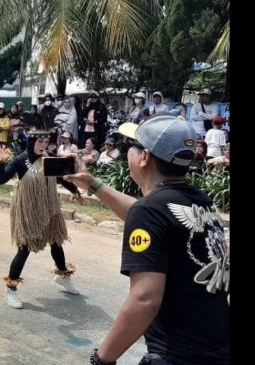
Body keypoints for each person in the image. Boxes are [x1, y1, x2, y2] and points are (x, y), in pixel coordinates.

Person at [64, 116, 229, 365]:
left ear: (144, 158)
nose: (127, 151)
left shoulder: (151, 211)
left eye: (132, 145)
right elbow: (151, 215)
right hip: (215, 347)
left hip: (177, 355)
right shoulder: (199, 199)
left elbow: (145, 299)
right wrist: (95, 185)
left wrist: (102, 359)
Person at [0, 126, 87, 309]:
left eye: (46, 142)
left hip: (50, 207)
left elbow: (60, 177)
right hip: (28, 210)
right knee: (24, 248)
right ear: (31, 142)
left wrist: (75, 191)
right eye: (39, 142)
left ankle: (62, 276)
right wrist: (0, 162)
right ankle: (10, 289)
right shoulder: (20, 160)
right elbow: (1, 180)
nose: (43, 145)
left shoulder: (49, 156)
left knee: (56, 242)